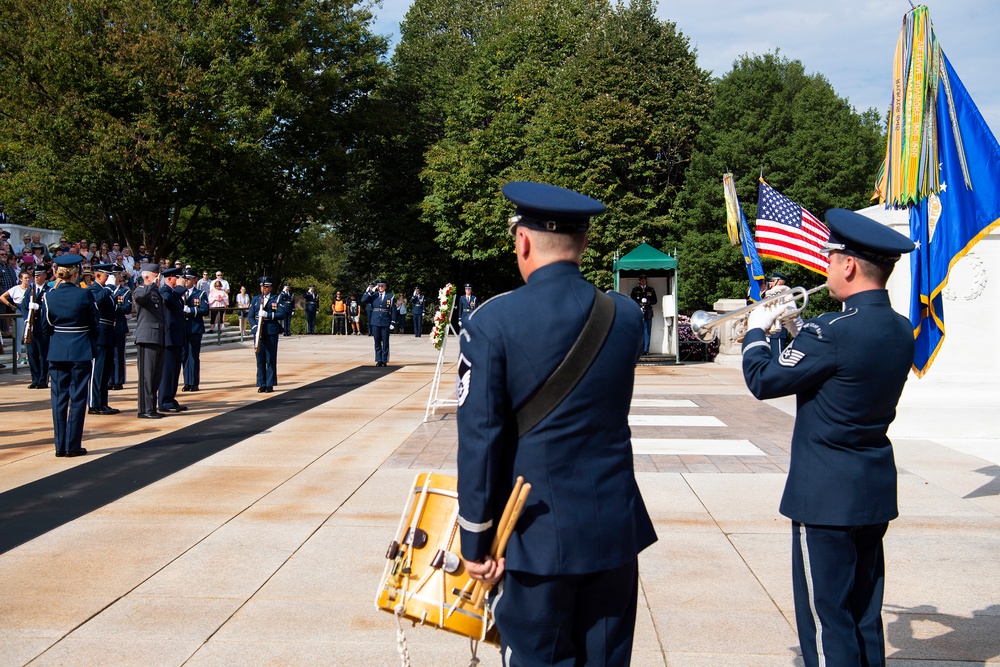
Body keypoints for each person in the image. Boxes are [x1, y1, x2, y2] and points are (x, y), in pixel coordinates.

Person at [456, 182, 656, 666]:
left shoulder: (492, 321)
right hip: (613, 528)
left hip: (533, 538)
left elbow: (481, 441)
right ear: (583, 244)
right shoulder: (625, 316)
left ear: (522, 241)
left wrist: (476, 540)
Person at [741, 208, 916, 667]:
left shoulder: (831, 331)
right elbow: (830, 373)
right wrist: (796, 330)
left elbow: (764, 380)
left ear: (850, 265)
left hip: (824, 495)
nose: (826, 266)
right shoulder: (900, 329)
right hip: (872, 486)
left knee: (826, 619)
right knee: (863, 613)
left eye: (830, 257)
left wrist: (759, 328)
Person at [43, 255, 99, 457]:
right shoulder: (84, 295)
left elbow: (46, 325)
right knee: (77, 398)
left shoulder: (49, 296)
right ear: (76, 274)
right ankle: (73, 445)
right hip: (80, 349)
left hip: (57, 349)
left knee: (58, 398)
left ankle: (60, 446)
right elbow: (94, 324)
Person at [86, 264, 120, 415]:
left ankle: (103, 402)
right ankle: (94, 404)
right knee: (97, 371)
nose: (110, 278)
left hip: (108, 333)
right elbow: (96, 301)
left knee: (106, 371)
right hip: (99, 334)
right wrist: (108, 288)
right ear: (98, 276)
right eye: (107, 275)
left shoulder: (107, 291)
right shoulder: (93, 289)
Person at [157, 266, 188, 413]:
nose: (180, 280)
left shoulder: (174, 292)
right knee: (167, 371)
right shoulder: (165, 290)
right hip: (168, 337)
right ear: (170, 279)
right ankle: (164, 400)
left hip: (176, 337)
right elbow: (168, 301)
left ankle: (171, 398)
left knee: (175, 371)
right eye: (177, 277)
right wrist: (180, 289)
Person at [249, 276, 287, 392]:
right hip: (258, 332)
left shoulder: (276, 299)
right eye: (262, 286)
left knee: (270, 358)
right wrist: (255, 327)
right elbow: (250, 316)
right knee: (260, 358)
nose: (263, 289)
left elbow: (282, 314)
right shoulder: (256, 299)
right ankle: (261, 383)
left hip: (271, 331)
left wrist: (268, 315)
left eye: (266, 287)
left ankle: (269, 383)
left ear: (270, 288)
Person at [22, 264, 51, 388]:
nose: (36, 278)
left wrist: (39, 308)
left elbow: (49, 307)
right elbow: (23, 306)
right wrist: (26, 319)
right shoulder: (30, 290)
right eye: (35, 275)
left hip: (42, 327)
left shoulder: (48, 291)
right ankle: (35, 378)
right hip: (31, 327)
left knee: (42, 355)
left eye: (39, 275)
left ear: (45, 275)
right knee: (32, 354)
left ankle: (43, 380)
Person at [181, 268, 210, 392]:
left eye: (188, 279)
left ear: (195, 280)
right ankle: (186, 382)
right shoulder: (179, 293)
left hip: (194, 328)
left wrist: (191, 310)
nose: (186, 281)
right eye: (185, 279)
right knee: (184, 356)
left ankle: (193, 382)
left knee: (193, 355)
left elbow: (204, 310)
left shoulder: (200, 294)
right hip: (182, 328)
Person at [0, 268, 30, 365]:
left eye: (28, 278)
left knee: (29, 334)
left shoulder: (31, 288)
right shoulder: (16, 289)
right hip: (19, 311)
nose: (27, 280)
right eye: (25, 278)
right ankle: (18, 355)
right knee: (19, 334)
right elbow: (2, 297)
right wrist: (10, 305)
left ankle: (28, 355)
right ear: (21, 279)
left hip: (30, 312)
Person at [109, 265, 133, 390]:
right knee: (109, 354)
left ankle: (118, 380)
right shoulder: (106, 290)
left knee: (118, 354)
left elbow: (127, 308)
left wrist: (114, 308)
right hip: (108, 326)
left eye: (115, 274)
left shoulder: (125, 292)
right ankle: (109, 379)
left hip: (119, 325)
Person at [361, 279, 393, 366]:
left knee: (385, 342)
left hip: (385, 320)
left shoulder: (390, 296)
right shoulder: (373, 295)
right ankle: (378, 359)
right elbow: (363, 300)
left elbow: (393, 310)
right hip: (375, 321)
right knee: (377, 341)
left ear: (385, 287)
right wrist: (371, 291)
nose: (380, 287)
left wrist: (393, 322)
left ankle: (384, 360)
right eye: (379, 286)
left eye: (382, 286)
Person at [762, 271, 790, 354]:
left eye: (773, 281)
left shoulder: (784, 293)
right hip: (768, 329)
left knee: (776, 356)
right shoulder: (770, 293)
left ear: (779, 282)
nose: (771, 283)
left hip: (777, 330)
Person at [629, 274, 657, 355]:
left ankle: (646, 350)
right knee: (640, 331)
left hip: (648, 312)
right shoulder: (635, 290)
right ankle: (640, 349)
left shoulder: (650, 290)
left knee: (647, 331)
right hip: (639, 312)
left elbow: (655, 300)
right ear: (639, 280)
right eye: (641, 278)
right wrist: (640, 303)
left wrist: (648, 301)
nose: (643, 280)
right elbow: (632, 300)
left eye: (645, 278)